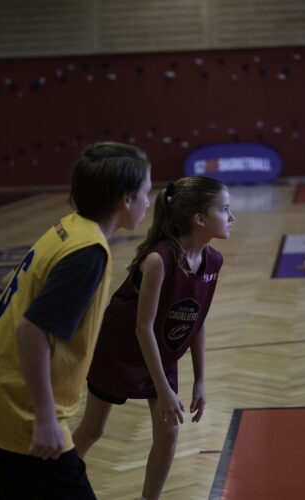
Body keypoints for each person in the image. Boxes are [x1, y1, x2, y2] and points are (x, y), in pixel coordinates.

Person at [0, 141, 152, 499]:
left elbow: (13, 284)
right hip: (19, 405)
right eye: (146, 193)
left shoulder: (67, 228)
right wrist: (45, 419)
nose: (148, 202)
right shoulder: (88, 253)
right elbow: (31, 331)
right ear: (125, 199)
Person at [73, 176, 234, 500]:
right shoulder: (158, 260)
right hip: (119, 350)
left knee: (169, 434)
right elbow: (142, 327)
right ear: (200, 219)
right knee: (93, 429)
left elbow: (198, 319)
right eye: (224, 209)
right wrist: (163, 389)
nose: (231, 217)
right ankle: (47, 479)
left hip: (161, 352)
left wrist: (200, 380)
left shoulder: (213, 261)